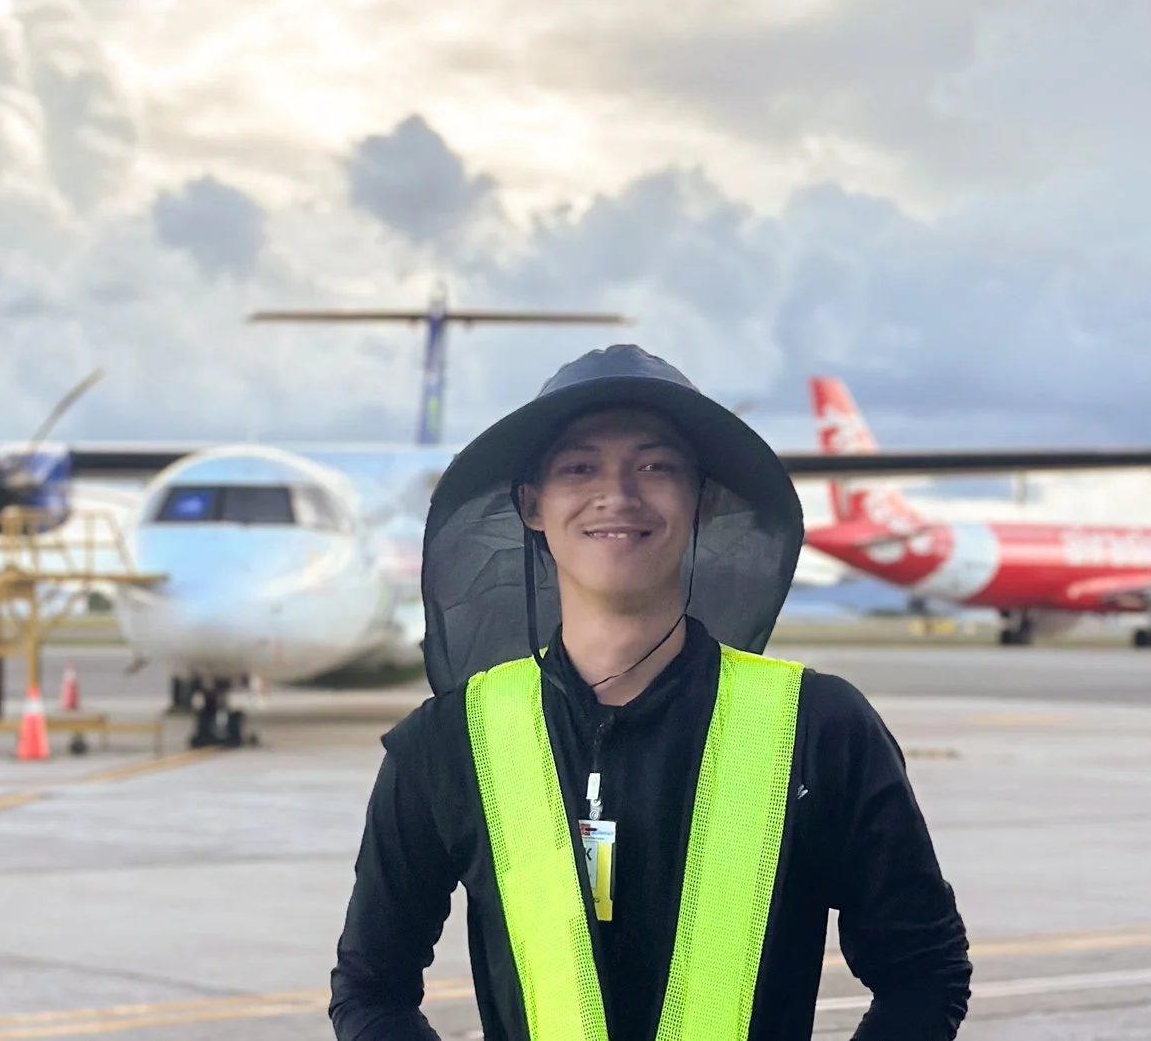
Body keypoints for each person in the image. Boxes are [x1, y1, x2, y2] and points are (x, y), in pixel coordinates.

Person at [329, 345, 971, 1040]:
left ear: (702, 500)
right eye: (579, 468)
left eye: (655, 467)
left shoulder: (819, 727)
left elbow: (922, 973)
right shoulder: (449, 742)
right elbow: (371, 991)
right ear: (532, 505)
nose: (618, 494)